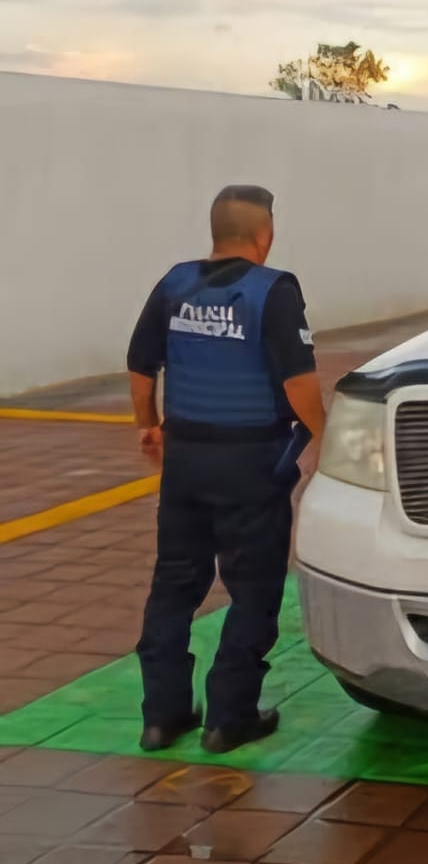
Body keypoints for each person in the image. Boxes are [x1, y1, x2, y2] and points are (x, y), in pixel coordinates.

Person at [127, 185, 325, 754]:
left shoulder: (174, 284)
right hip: (253, 461)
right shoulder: (274, 290)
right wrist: (322, 436)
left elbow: (141, 363)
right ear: (264, 234)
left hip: (186, 460)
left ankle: (162, 717)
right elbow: (299, 383)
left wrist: (150, 423)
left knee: (174, 585)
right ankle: (228, 718)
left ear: (217, 231)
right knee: (253, 588)